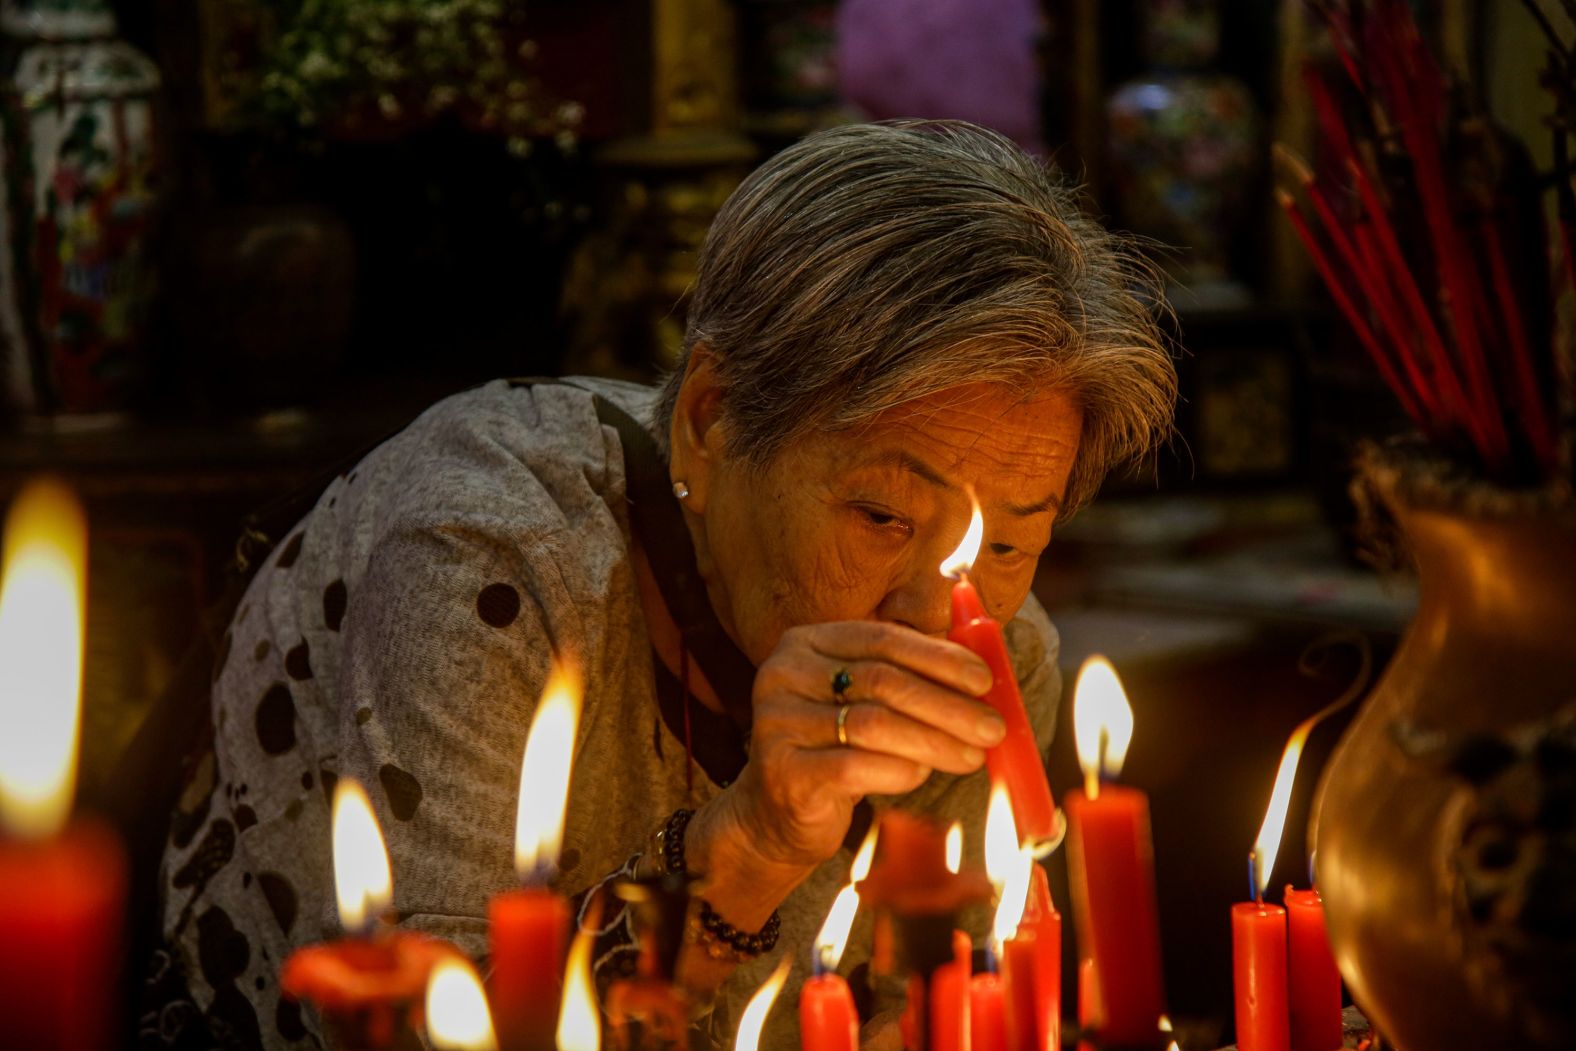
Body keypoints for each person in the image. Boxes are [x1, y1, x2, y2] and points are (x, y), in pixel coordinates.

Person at [151, 119, 1175, 1050]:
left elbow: (930, 1017)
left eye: (1008, 544)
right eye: (881, 518)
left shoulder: (997, 664)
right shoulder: (489, 554)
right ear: (709, 418)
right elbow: (437, 1030)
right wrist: (757, 840)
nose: (937, 612)